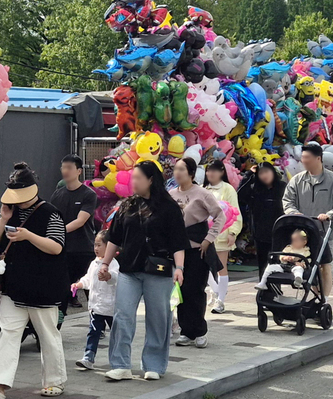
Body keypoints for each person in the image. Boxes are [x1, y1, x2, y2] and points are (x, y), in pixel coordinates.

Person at [0, 163, 67, 399]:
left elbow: (56, 247)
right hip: (14, 285)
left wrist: (28, 236)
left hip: (43, 285)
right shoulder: (10, 210)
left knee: (47, 334)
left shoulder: (50, 212)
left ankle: (55, 381)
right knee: (9, 332)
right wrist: (4, 218)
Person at [100, 161, 188, 382]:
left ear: (151, 180)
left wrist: (179, 268)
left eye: (138, 177)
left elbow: (178, 242)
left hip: (158, 272)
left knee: (159, 318)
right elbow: (114, 238)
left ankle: (154, 365)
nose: (133, 181)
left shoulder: (168, 208)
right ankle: (120, 364)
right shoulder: (126, 206)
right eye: (133, 177)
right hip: (129, 269)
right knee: (122, 316)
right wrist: (104, 263)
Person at [283, 144, 333, 301]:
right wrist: (294, 213)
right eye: (302, 158)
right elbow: (287, 201)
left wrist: (330, 215)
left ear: (318, 158)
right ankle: (315, 296)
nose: (303, 161)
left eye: (307, 158)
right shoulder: (297, 180)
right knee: (310, 267)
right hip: (304, 233)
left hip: (328, 232)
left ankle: (324, 299)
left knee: (325, 266)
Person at [169, 157, 223, 348]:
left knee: (195, 290)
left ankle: (199, 331)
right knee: (181, 291)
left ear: (191, 173)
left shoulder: (202, 194)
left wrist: (209, 239)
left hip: (198, 248)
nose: (177, 173)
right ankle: (186, 331)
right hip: (177, 249)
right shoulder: (171, 194)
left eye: (182, 169)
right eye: (175, 169)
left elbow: (220, 216)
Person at [49, 155, 97, 313]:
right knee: (62, 289)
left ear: (79, 171)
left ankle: (99, 323)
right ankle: (57, 326)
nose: (65, 171)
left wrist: (59, 232)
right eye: (63, 167)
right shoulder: (57, 195)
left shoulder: (88, 194)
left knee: (90, 288)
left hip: (83, 249)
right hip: (62, 249)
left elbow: (80, 220)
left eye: (69, 168)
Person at [72, 230, 118, 371]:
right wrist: (79, 284)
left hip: (111, 307)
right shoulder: (94, 263)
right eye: (95, 245)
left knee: (116, 334)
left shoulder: (113, 263)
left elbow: (116, 278)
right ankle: (88, 357)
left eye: (99, 245)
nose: (96, 248)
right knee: (93, 332)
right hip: (96, 306)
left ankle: (117, 359)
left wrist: (109, 276)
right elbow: (88, 278)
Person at [202, 161, 240, 313]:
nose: (211, 174)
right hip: (205, 235)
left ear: (222, 172)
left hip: (222, 234)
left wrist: (233, 232)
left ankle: (221, 300)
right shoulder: (203, 189)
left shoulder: (228, 189)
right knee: (205, 266)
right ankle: (217, 290)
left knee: (221, 267)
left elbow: (235, 211)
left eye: (214, 171)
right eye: (208, 171)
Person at [238, 161, 285, 280]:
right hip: (260, 234)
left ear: (273, 172)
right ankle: (264, 292)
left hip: (279, 232)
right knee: (263, 264)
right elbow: (239, 196)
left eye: (267, 172)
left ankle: (276, 289)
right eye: (261, 173)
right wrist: (249, 175)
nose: (264, 175)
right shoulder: (255, 189)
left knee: (276, 263)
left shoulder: (282, 187)